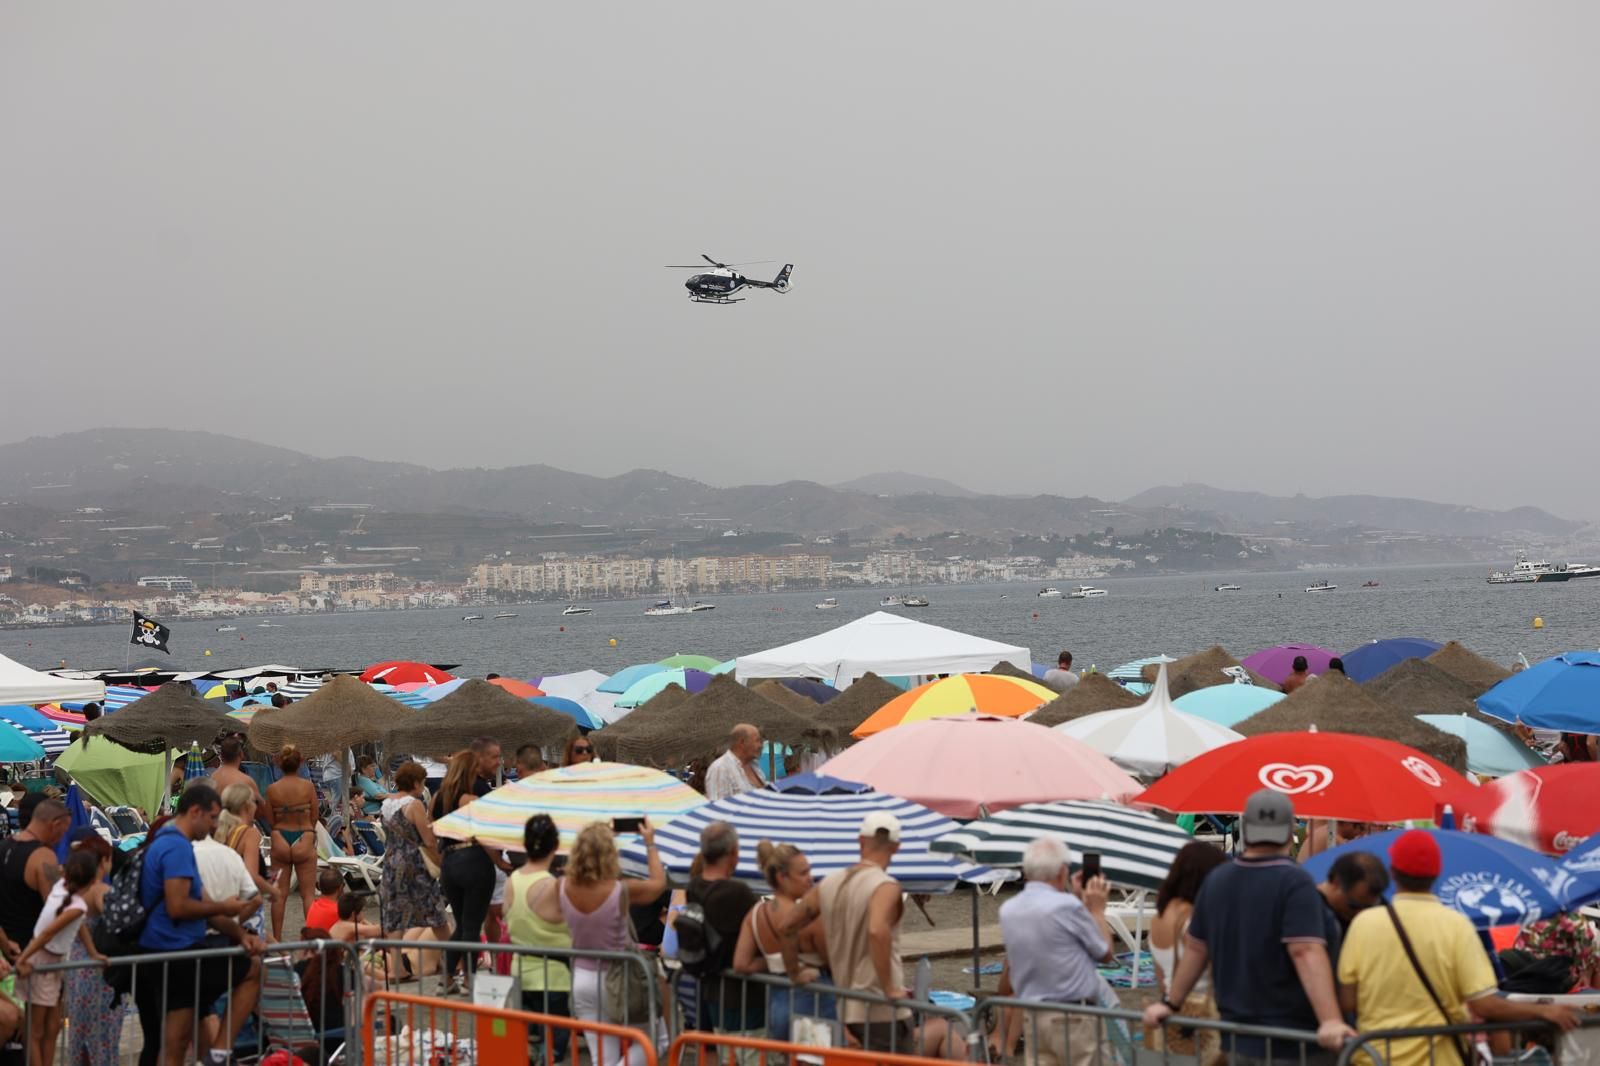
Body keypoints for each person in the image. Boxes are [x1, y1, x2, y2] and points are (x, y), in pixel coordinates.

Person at [1143, 789, 1352, 1061]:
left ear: (1246, 829)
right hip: (1293, 1039)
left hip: (1237, 1035)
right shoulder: (1294, 882)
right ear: (1289, 832)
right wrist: (1331, 1020)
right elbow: (1305, 950)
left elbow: (1196, 948)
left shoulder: (1218, 879)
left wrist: (1171, 1003)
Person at [1337, 830, 1577, 1066]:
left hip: (1375, 1057)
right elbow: (1484, 1004)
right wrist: (1543, 1012)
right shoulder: (1457, 926)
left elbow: (1347, 1001)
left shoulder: (1363, 924)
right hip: (1440, 1058)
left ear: (1393, 872)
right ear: (1437, 874)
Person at [785, 811, 961, 1058]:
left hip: (845, 1006)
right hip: (880, 1009)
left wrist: (794, 970)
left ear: (860, 841)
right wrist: (889, 987)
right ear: (897, 847)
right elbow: (877, 930)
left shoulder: (830, 882)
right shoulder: (886, 887)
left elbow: (789, 924)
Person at [134, 784, 263, 1066]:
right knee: (175, 1042)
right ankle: (220, 1053)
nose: (216, 824)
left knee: (176, 1040)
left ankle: (218, 1053)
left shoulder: (172, 843)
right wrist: (226, 907)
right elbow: (179, 906)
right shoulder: (176, 846)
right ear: (195, 812)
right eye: (213, 817)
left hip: (177, 951)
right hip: (175, 953)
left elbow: (202, 904)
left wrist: (240, 933)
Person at [997, 836, 1114, 1066]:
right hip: (1073, 1018)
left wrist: (1077, 901)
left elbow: (1050, 922)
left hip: (1034, 1015)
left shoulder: (1008, 909)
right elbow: (1105, 952)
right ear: (1062, 871)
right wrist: (1097, 911)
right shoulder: (1068, 907)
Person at [560, 820, 666, 1066]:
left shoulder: (563, 887)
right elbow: (658, 884)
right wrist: (650, 843)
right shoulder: (619, 890)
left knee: (603, 1058)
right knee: (656, 1041)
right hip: (620, 977)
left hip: (582, 980)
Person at [734, 840, 834, 1042]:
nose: (810, 879)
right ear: (782, 877)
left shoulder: (755, 914)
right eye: (803, 873)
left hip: (778, 1002)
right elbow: (832, 959)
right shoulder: (808, 917)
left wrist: (774, 961)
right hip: (816, 1001)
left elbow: (741, 964)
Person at [431, 743, 511, 992]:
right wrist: (498, 861)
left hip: (450, 862)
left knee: (463, 923)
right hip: (474, 860)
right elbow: (483, 831)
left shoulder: (440, 796)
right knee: (472, 924)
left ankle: (446, 977)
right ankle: (469, 978)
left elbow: (429, 823)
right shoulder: (471, 796)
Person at [16, 848, 104, 1066]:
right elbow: (46, 934)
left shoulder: (61, 889)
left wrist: (93, 952)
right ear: (93, 880)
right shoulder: (75, 905)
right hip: (42, 957)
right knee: (36, 1030)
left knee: (51, 1025)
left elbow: (78, 926)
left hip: (51, 960)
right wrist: (23, 958)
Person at [686, 822, 763, 1059]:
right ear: (732, 854)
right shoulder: (737, 893)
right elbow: (762, 931)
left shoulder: (694, 887)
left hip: (713, 990)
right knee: (750, 1056)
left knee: (726, 1056)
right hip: (743, 995)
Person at [1146, 841, 1227, 1060]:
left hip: (1172, 1014)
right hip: (1204, 1015)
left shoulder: (1159, 917)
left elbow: (1162, 978)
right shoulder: (1193, 918)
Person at [378, 762, 453, 983]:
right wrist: (440, 860)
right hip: (414, 864)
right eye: (421, 782)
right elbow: (428, 839)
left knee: (394, 915)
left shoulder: (386, 804)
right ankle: (453, 960)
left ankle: (397, 968)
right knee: (434, 912)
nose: (423, 786)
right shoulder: (414, 804)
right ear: (415, 782)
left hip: (392, 863)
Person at [508, 813, 573, 1059]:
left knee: (527, 1052)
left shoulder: (512, 880)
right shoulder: (553, 885)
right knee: (552, 1052)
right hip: (553, 978)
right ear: (556, 846)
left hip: (520, 972)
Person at [62, 834, 119, 1066]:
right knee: (103, 1038)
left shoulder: (72, 889)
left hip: (76, 967)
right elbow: (117, 922)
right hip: (99, 971)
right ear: (104, 861)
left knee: (80, 1035)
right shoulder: (99, 890)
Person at [0, 798, 71, 961]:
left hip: (8, 952)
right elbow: (57, 910)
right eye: (62, 832)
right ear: (55, 824)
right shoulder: (44, 856)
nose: (61, 839)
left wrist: (5, 943)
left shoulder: (3, 846)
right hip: (35, 954)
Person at [264, 745, 320, 940]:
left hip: (280, 837)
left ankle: (278, 939)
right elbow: (315, 815)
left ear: (279, 764)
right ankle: (311, 940)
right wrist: (308, 830)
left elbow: (269, 819)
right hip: (303, 835)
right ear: (301, 762)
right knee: (308, 895)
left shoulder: (272, 789)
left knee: (279, 894)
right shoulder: (308, 786)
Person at [215, 783, 276, 910]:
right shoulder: (249, 833)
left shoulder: (221, 830)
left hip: (222, 898)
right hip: (244, 901)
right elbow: (251, 875)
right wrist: (273, 891)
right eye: (255, 802)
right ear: (246, 806)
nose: (256, 807)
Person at [1317, 851, 1390, 931]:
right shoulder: (1309, 911)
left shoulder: (1379, 906)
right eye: (1354, 905)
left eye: (1369, 908)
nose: (1361, 914)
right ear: (1336, 883)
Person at [705, 724, 764, 801]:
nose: (761, 745)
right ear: (742, 742)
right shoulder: (721, 768)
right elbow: (720, 807)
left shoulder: (754, 765)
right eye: (757, 741)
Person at [210, 736, 260, 813]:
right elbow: (260, 808)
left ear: (221, 756)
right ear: (241, 754)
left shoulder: (213, 778)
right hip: (238, 822)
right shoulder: (246, 780)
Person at [304, 868, 345, 933]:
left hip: (312, 942)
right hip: (328, 942)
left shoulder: (314, 905)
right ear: (341, 887)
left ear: (319, 886)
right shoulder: (339, 911)